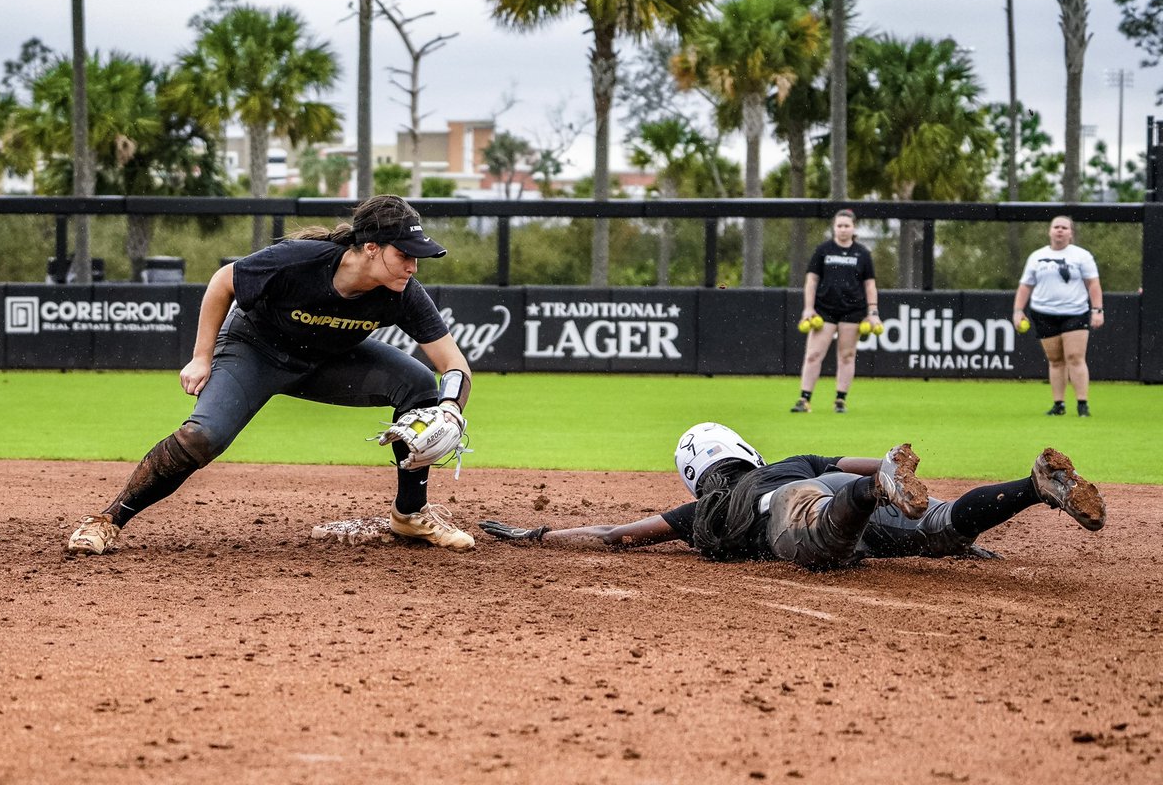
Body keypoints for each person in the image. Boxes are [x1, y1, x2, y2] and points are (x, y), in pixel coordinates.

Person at [67, 194, 476, 554]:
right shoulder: (300, 260)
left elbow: (454, 364)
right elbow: (222, 282)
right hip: (255, 351)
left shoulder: (403, 293)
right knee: (201, 437)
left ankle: (409, 513)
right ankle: (108, 520)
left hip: (325, 361)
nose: (413, 266)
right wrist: (200, 357)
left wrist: (450, 410)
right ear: (370, 247)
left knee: (420, 385)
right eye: (405, 254)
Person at [478, 423, 1106, 571]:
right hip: (834, 484)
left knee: (816, 542)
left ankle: (872, 492)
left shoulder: (702, 509)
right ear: (741, 447)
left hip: (807, 505)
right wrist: (884, 470)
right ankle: (1032, 487)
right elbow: (854, 457)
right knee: (940, 528)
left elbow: (616, 536)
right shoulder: (786, 459)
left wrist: (537, 535)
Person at [1012, 215, 1104, 417]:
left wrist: (1097, 310)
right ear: (1049, 231)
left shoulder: (1081, 256)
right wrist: (1018, 311)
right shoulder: (1037, 256)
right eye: (1056, 227)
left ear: (1071, 233)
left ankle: (1082, 404)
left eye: (1064, 227)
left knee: (1075, 357)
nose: (1060, 230)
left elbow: (1093, 284)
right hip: (1043, 313)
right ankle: (1058, 404)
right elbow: (1026, 286)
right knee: (1055, 360)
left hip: (1074, 311)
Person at [791, 209, 880, 414]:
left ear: (853, 228)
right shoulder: (823, 250)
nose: (842, 229)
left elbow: (870, 285)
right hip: (825, 310)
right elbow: (811, 281)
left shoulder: (863, 254)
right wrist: (808, 308)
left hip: (853, 311)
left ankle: (840, 400)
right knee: (813, 354)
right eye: (839, 225)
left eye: (846, 225)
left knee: (847, 356)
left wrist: (873, 312)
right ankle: (804, 399)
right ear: (834, 227)